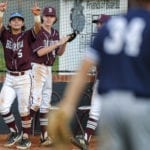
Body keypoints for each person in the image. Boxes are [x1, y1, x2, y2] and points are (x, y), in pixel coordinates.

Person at [48, 0, 150, 150]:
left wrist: (68, 105)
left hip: (110, 102)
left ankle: (85, 139)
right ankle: (85, 139)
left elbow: (83, 70)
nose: (98, 25)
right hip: (139, 102)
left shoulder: (110, 27)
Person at [0, 1, 41, 149]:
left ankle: (25, 137)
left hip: (24, 77)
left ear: (22, 23)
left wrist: (37, 16)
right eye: (13, 20)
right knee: (3, 107)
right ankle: (15, 131)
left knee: (24, 110)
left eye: (19, 20)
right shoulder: (5, 35)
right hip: (10, 77)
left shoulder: (28, 35)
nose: (16, 21)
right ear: (10, 23)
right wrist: (1, 12)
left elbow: (37, 28)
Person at [30, 6, 70, 146]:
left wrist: (64, 44)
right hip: (38, 67)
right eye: (46, 16)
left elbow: (59, 53)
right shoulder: (38, 31)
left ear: (55, 19)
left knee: (45, 103)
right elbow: (40, 53)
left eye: (51, 16)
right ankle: (23, 133)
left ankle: (44, 135)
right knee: (36, 101)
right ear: (42, 17)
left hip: (48, 69)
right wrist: (57, 44)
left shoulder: (55, 33)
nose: (48, 18)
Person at [71, 14, 111, 150]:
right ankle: (86, 140)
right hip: (101, 81)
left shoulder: (111, 40)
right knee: (95, 111)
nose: (98, 25)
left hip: (113, 84)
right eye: (97, 23)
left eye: (101, 23)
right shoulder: (99, 39)